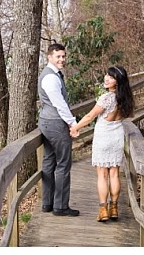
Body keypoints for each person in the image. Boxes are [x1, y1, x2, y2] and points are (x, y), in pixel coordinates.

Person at [70, 66, 135, 222]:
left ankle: (103, 210)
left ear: (117, 82)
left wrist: (75, 128)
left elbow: (90, 116)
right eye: (107, 75)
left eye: (111, 77)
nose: (106, 78)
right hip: (117, 135)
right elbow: (129, 115)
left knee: (102, 174)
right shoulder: (126, 98)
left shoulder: (107, 98)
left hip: (104, 135)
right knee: (114, 173)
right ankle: (114, 208)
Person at [37, 43, 80, 216]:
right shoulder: (51, 78)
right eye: (58, 56)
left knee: (49, 162)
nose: (62, 59)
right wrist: (72, 123)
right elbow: (59, 104)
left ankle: (47, 203)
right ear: (49, 57)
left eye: (63, 56)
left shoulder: (51, 74)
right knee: (63, 164)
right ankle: (60, 206)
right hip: (55, 124)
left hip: (46, 122)